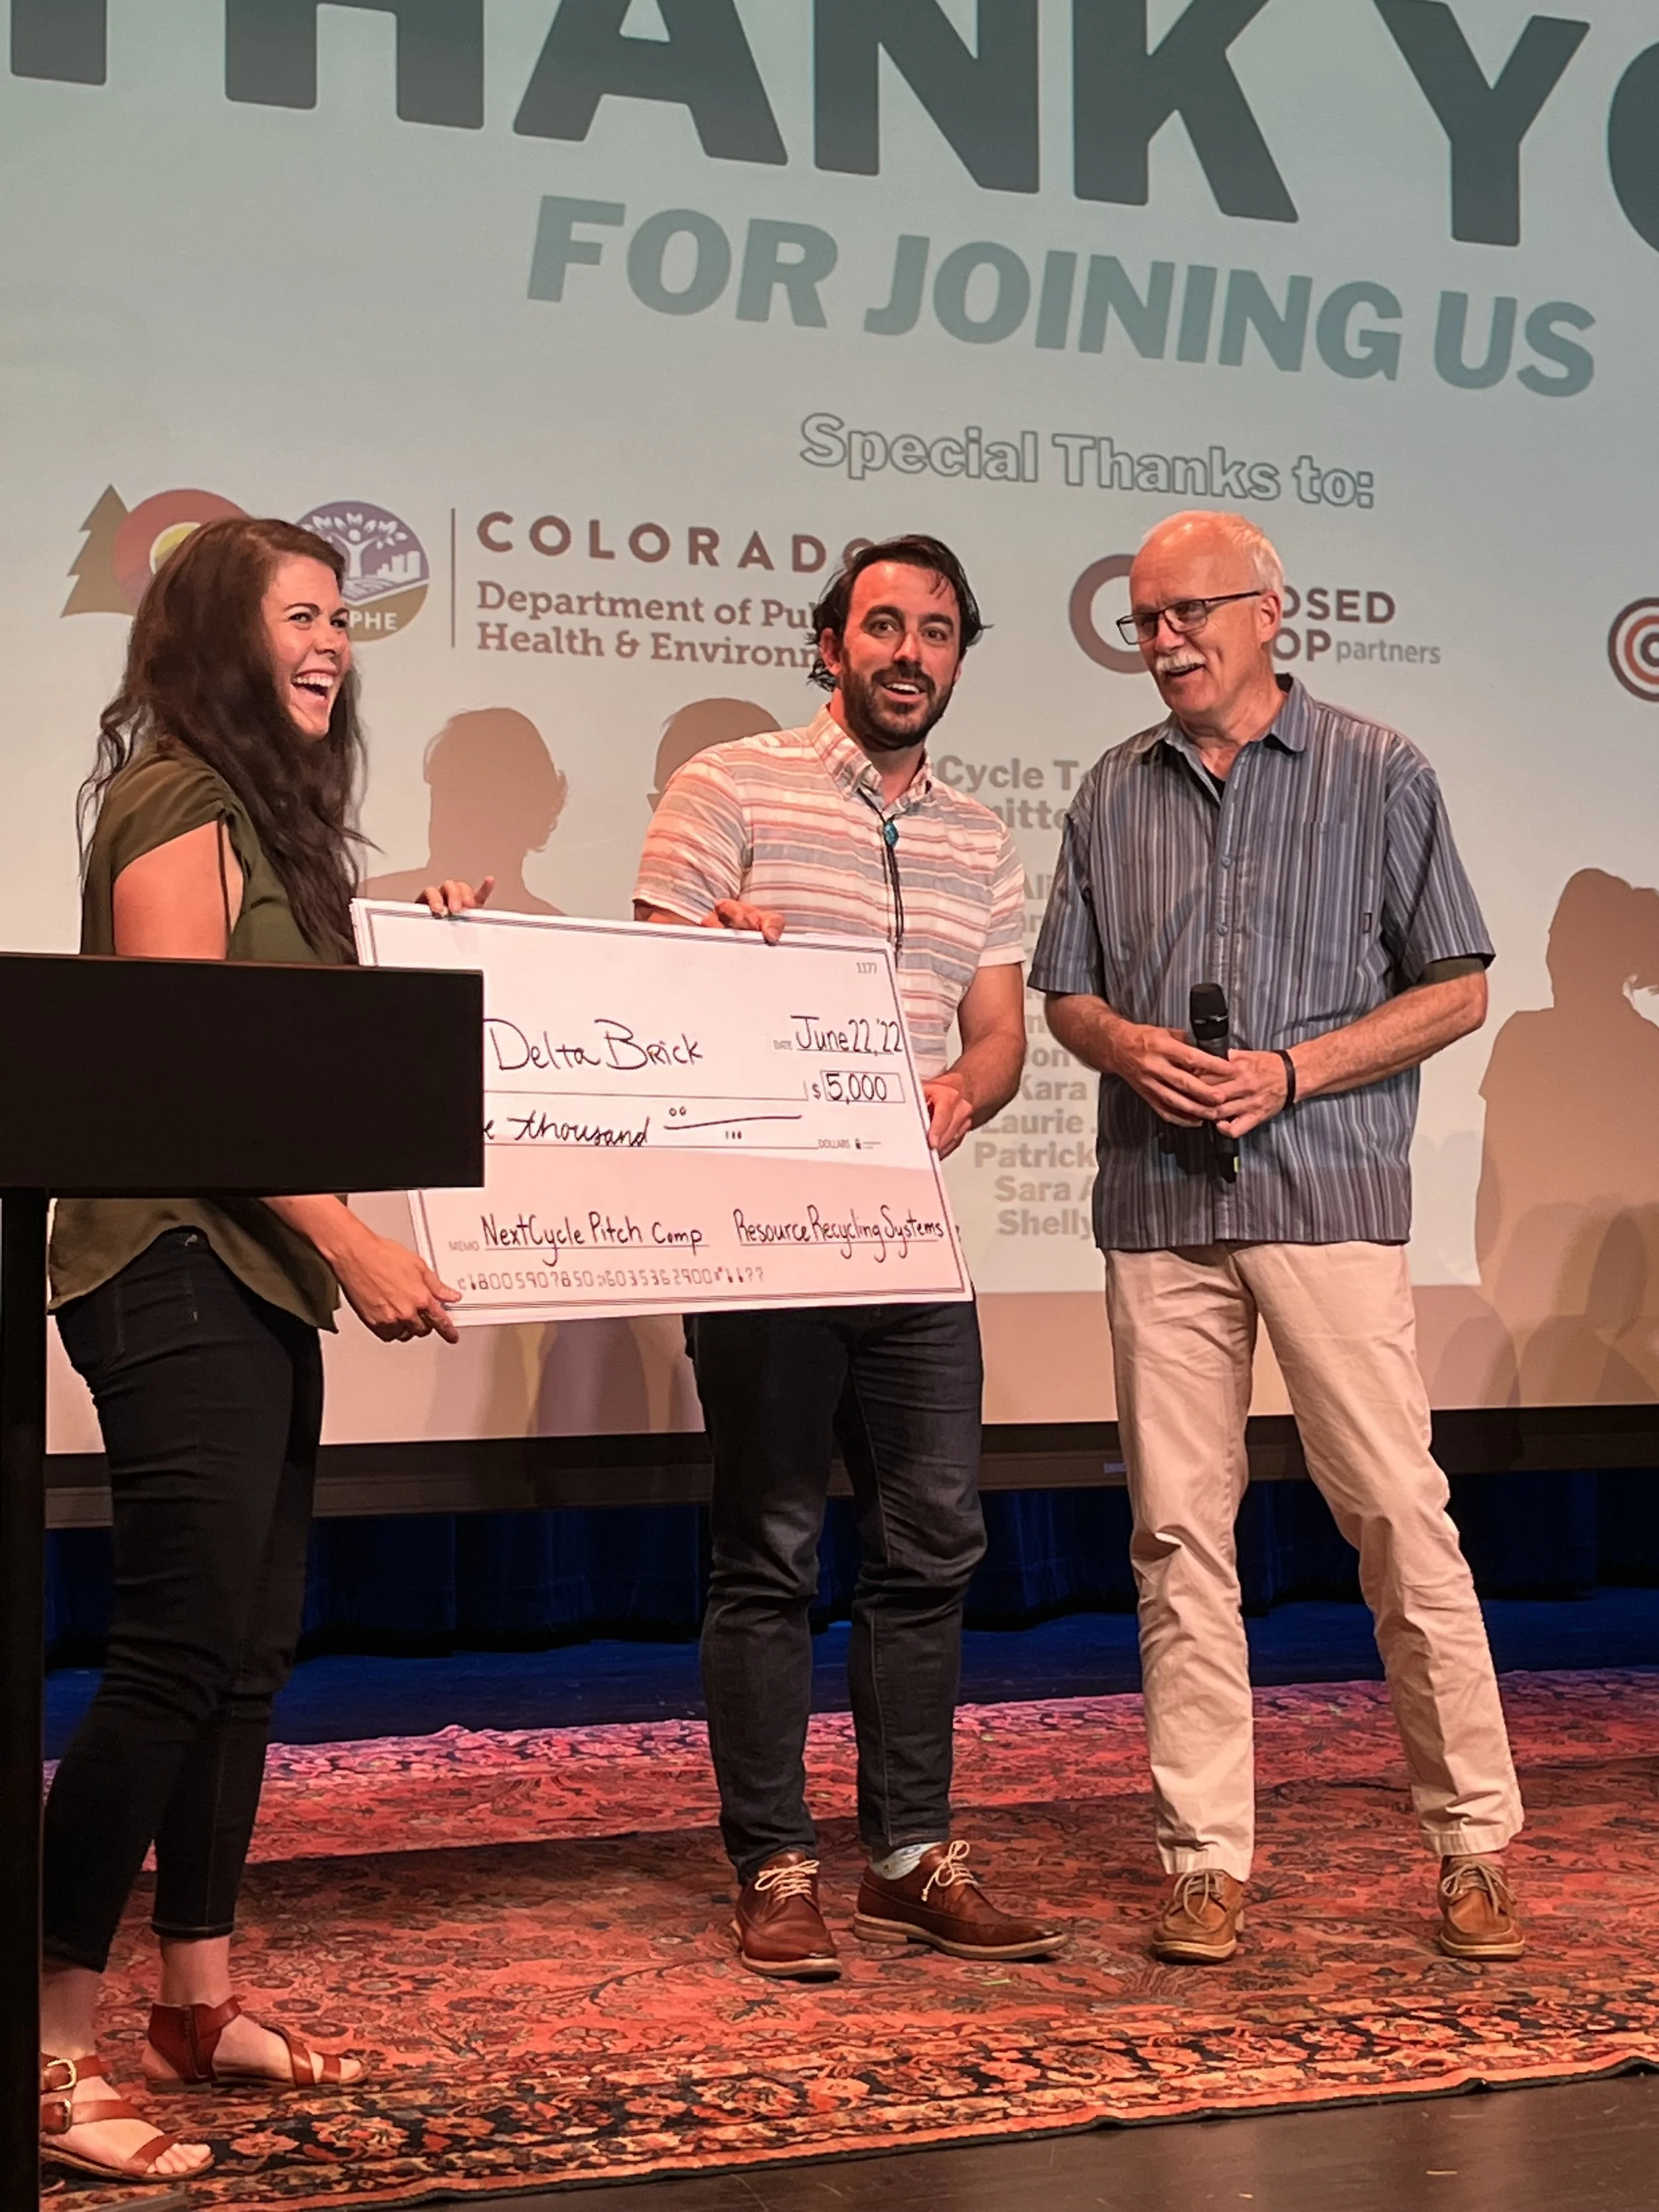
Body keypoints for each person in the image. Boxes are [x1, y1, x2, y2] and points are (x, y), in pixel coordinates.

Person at [40, 517, 486, 2185]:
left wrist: (408, 927)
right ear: (220, 635)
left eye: (343, 618)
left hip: (248, 1269)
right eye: (300, 614)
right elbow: (182, 1078)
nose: (333, 642)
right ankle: (45, 2046)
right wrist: (350, 1237)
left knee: (246, 1652)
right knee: (171, 1655)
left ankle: (193, 2000)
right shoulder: (175, 799)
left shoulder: (268, 826)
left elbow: (281, 1024)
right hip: (169, 1258)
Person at [1030, 510, 1524, 1967]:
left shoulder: (1379, 771)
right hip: (1160, 1210)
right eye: (1143, 621)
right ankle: (1203, 1859)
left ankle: (1474, 1839)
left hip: (1325, 1201)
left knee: (1394, 1513)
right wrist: (1123, 1044)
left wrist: (1294, 1071)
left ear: (1267, 614)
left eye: (1187, 612)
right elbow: (1066, 995)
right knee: (1178, 1536)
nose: (1163, 640)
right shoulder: (1110, 790)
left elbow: (1457, 988)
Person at [634, 536, 1062, 1978]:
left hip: (911, 1241)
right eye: (882, 625)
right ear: (830, 646)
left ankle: (907, 1856)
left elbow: (996, 1035)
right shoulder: (727, 785)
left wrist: (964, 1092)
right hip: (762, 1238)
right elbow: (647, 983)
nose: (908, 652)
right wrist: (721, 956)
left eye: (936, 631)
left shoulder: (982, 837)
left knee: (932, 1546)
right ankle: (772, 1863)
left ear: (956, 658)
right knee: (768, 1552)